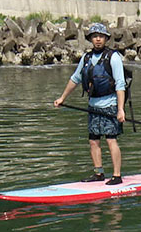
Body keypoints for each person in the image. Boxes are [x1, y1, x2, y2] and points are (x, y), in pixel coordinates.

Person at [53, 23, 127, 185]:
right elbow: (75, 79)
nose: (98, 39)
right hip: (93, 106)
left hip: (110, 105)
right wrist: (62, 98)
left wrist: (120, 109)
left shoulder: (113, 57)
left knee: (110, 140)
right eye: (95, 36)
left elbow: (120, 84)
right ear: (91, 39)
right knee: (93, 140)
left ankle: (116, 175)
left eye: (101, 36)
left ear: (106, 38)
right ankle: (98, 173)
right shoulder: (86, 58)